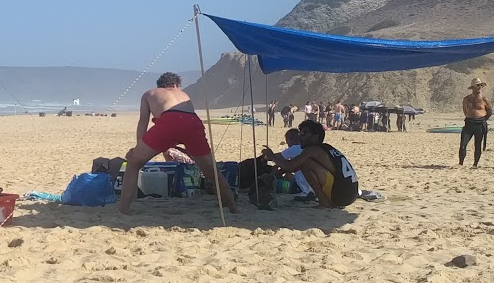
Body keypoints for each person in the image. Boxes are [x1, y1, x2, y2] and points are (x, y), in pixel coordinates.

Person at [119, 72, 238, 216]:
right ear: (176, 85)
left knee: (134, 164)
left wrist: (138, 148)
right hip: (193, 122)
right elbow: (184, 126)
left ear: (160, 85)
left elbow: (143, 121)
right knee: (212, 172)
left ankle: (123, 210)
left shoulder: (149, 93)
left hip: (169, 121)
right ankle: (232, 208)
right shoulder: (184, 95)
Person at [262, 119, 358, 208]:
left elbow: (290, 165)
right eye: (300, 133)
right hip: (350, 193)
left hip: (342, 195)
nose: (300, 136)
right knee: (304, 164)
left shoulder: (312, 150)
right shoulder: (326, 147)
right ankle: (325, 200)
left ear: (315, 136)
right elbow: (292, 168)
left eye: (304, 133)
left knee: (306, 164)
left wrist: (272, 156)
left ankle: (324, 202)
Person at [459, 77, 492, 168]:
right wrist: (470, 116)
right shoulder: (466, 99)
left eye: (481, 85)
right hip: (469, 123)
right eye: (477, 85)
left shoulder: (484, 99)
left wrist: (482, 119)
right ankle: (461, 163)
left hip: (479, 124)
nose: (479, 87)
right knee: (463, 144)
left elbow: (489, 111)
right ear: (473, 87)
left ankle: (475, 164)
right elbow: (465, 110)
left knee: (478, 144)